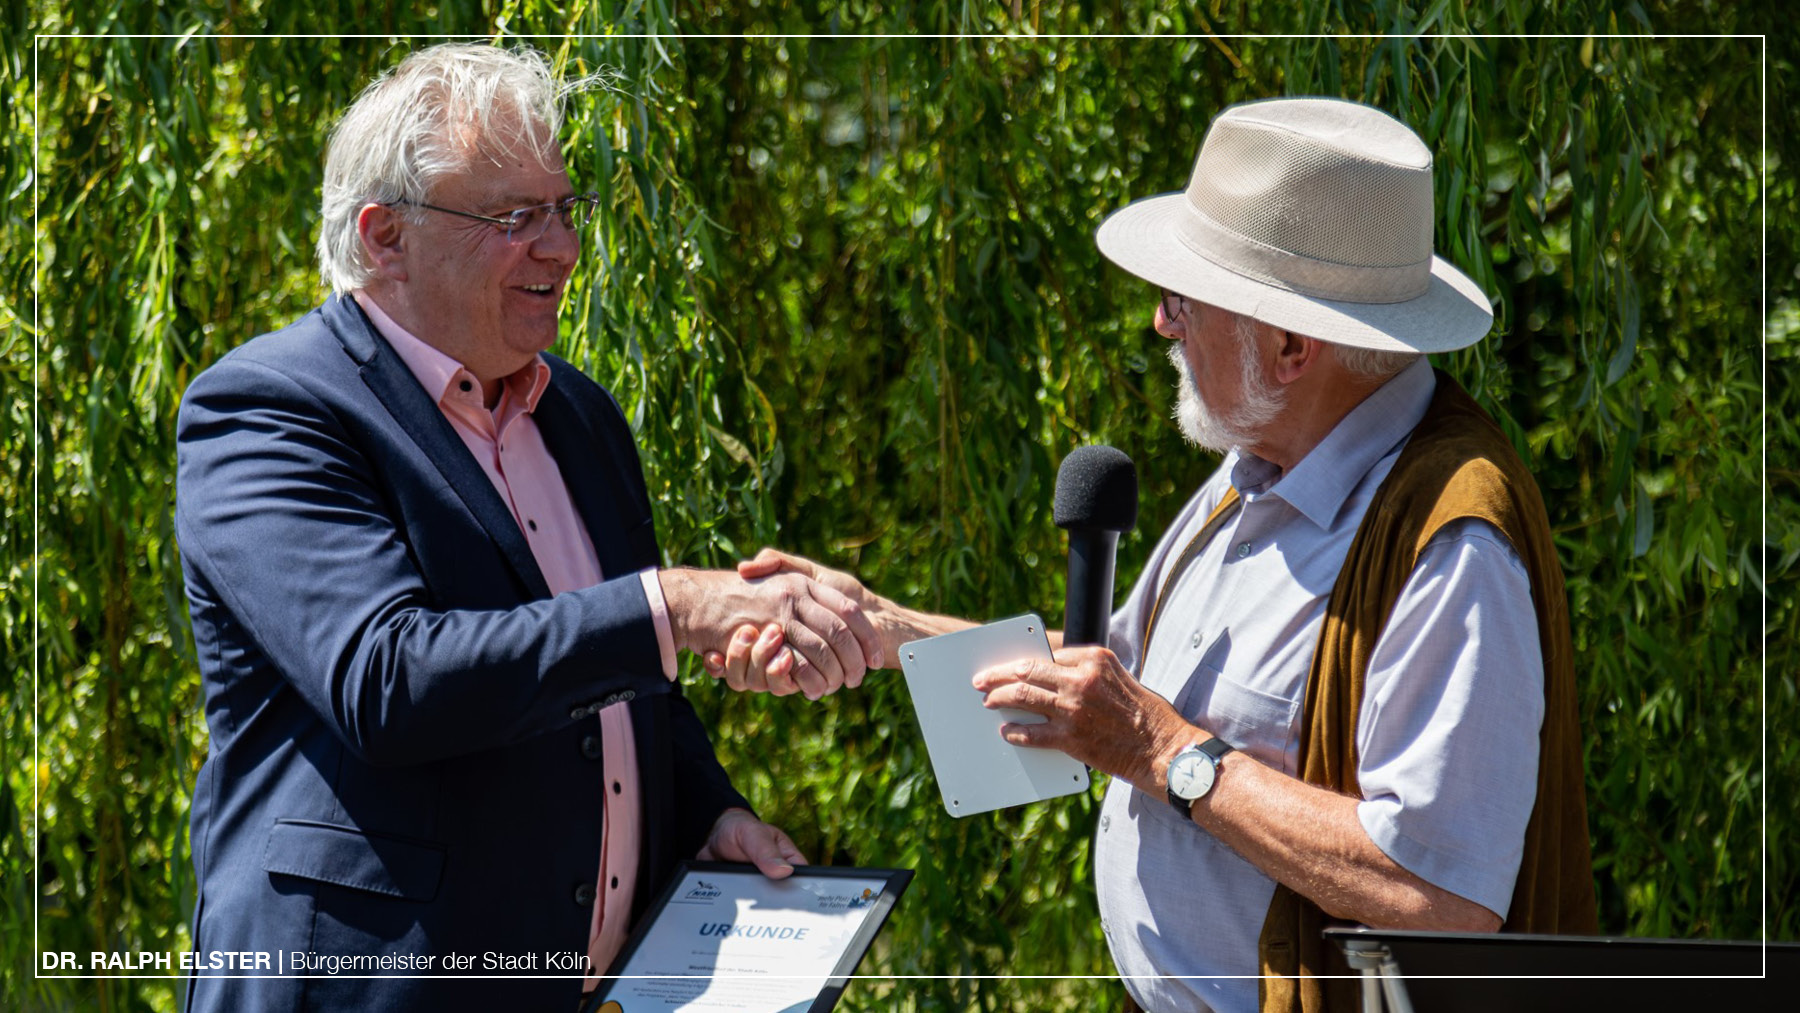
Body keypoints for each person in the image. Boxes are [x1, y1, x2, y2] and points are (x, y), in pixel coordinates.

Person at [711, 98, 1597, 1012]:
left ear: (1292, 346)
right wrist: (881, 628)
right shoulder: (1258, 469)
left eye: (1185, 299)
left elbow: (1440, 898)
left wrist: (1164, 753)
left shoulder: (1450, 544)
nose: (1161, 323)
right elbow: (1115, 678)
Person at [174, 43, 880, 1011]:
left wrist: (707, 811)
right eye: (514, 218)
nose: (561, 247)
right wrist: (673, 603)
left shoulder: (578, 414)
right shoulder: (270, 410)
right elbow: (389, 679)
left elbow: (631, 676)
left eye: (563, 208)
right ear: (385, 236)